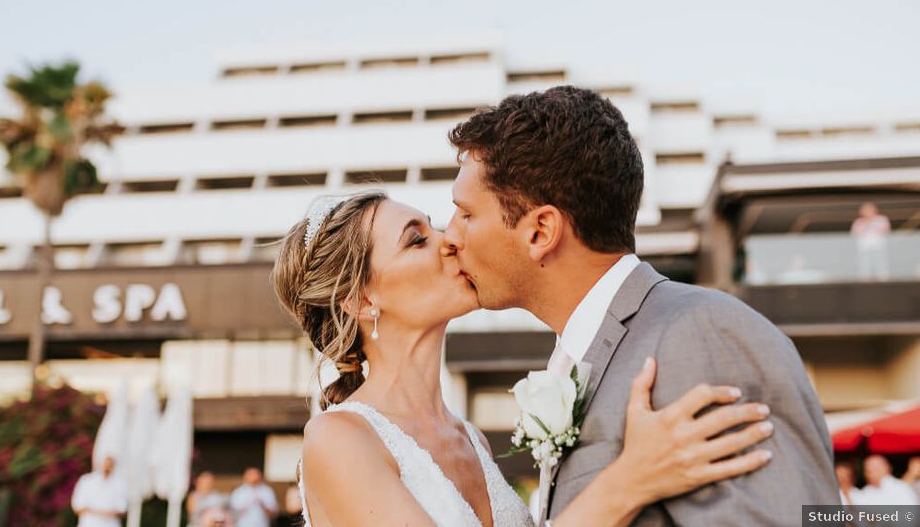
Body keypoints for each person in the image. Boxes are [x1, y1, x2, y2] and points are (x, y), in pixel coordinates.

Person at [442, 86, 841, 524]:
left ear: (540, 232)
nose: (451, 236)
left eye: (465, 214)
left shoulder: (702, 335)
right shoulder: (583, 354)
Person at [271, 190, 774, 527]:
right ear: (360, 301)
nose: (449, 241)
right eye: (416, 240)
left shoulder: (470, 439)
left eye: (435, 226)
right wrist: (630, 479)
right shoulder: (338, 441)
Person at [70, 455, 127, 527]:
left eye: (109, 464)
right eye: (105, 463)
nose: (106, 467)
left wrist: (103, 513)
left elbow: (122, 510)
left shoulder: (120, 484)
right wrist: (99, 513)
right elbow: (77, 506)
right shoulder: (86, 481)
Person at [851, 201, 891, 280]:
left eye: (869, 209)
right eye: (865, 210)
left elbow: (887, 232)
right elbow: (853, 234)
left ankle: (883, 279)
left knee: (880, 264)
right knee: (864, 266)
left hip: (879, 247)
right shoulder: (858, 222)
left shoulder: (881, 219)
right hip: (864, 249)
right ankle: (864, 279)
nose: (867, 212)